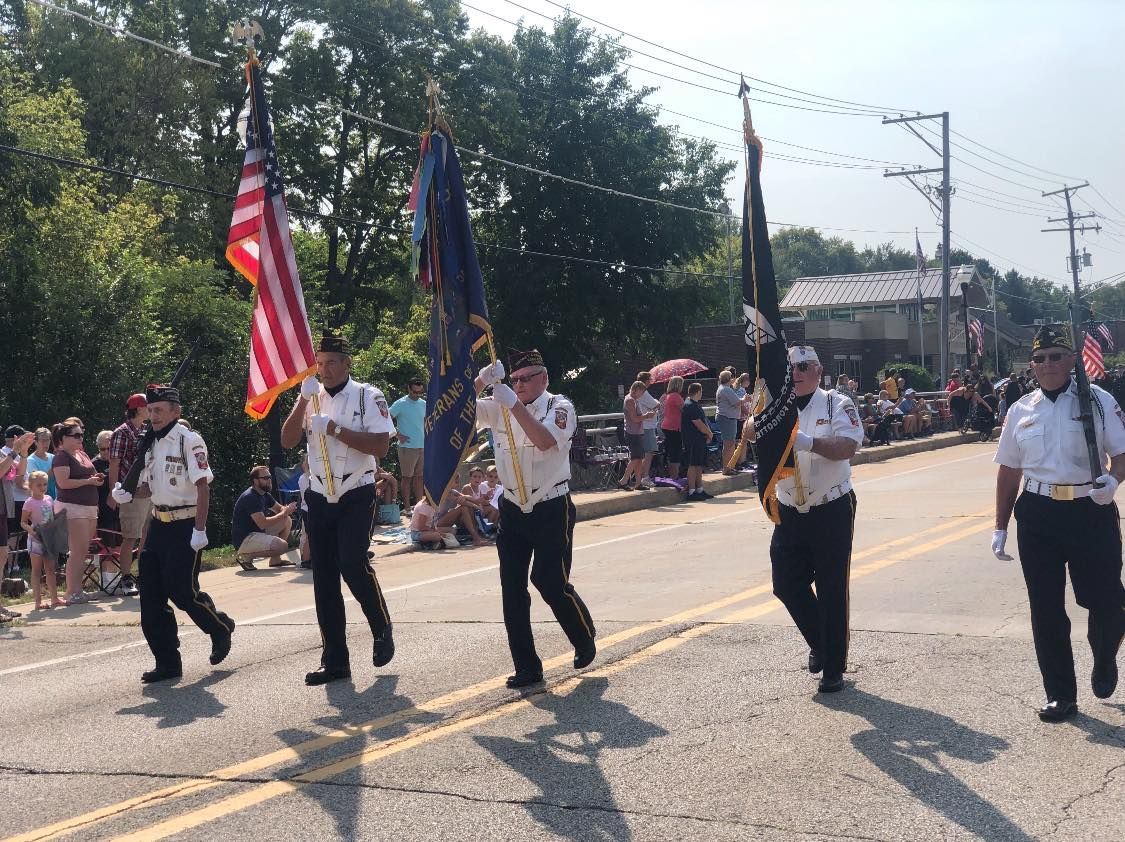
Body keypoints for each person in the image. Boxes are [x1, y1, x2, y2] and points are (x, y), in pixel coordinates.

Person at [992, 324, 1125, 722]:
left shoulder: (1098, 401)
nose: (1047, 364)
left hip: (1090, 508)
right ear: (1031, 365)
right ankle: (1061, 695)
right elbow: (1008, 471)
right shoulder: (1021, 409)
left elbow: (1121, 453)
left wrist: (1113, 481)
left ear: (1071, 360)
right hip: (1038, 512)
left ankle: (1104, 655)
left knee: (1105, 599)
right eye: (1039, 358)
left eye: (1055, 356)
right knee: (1046, 608)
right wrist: (1000, 526)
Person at [474, 349, 596, 689]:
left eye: (526, 378)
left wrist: (513, 404)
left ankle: (583, 636)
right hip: (513, 508)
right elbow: (456, 417)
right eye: (514, 379)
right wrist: (480, 381)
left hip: (550, 505)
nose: (519, 384)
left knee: (548, 581)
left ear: (543, 378)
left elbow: (544, 441)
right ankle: (527, 667)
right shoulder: (499, 405)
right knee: (512, 588)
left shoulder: (560, 407)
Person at [280, 332, 397, 686]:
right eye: (320, 362)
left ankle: (381, 627)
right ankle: (335, 661)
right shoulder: (311, 396)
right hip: (318, 493)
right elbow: (287, 440)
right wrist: (302, 401)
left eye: (332, 362)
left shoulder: (367, 396)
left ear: (347, 363)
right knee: (324, 578)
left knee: (352, 563)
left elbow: (380, 447)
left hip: (355, 490)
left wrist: (334, 429)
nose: (325, 369)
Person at [110, 385, 235, 683]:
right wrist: (127, 493)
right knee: (150, 596)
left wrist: (200, 530)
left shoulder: (189, 441)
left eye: (159, 410)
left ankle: (218, 627)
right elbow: (149, 487)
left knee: (181, 591)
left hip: (185, 524)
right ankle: (167, 662)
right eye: (150, 410)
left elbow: (202, 486)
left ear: (176, 412)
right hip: (157, 524)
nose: (152, 416)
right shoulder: (149, 443)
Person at [771, 345, 864, 694]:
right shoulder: (774, 407)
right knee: (785, 584)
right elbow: (749, 433)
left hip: (831, 505)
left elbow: (847, 447)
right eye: (791, 367)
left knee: (831, 586)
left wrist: (806, 441)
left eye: (804, 366)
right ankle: (821, 644)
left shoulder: (835, 403)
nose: (796, 372)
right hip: (788, 507)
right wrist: (753, 425)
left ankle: (833, 667)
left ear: (818, 370)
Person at [51, 419, 102, 605]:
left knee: (82, 551)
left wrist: (95, 479)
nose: (81, 438)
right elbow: (63, 483)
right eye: (76, 435)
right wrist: (88, 482)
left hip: (88, 507)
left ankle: (77, 589)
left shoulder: (82, 454)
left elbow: (87, 475)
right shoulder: (61, 456)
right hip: (72, 507)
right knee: (77, 551)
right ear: (64, 438)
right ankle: (72, 592)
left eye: (82, 434)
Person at [107, 394, 149, 598]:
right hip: (130, 492)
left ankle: (144, 575)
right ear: (139, 409)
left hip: (147, 491)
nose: (150, 409)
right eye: (147, 406)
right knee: (130, 537)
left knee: (147, 536)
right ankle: (126, 577)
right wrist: (114, 492)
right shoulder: (121, 432)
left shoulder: (144, 430)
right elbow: (114, 462)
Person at [231, 466, 297, 570]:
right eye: (265, 478)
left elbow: (280, 509)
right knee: (282, 546)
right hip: (246, 539)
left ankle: (276, 560)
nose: (269, 480)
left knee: (286, 520)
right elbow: (263, 523)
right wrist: (284, 512)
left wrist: (288, 509)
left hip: (257, 533)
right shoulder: (250, 497)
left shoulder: (265, 494)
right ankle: (245, 556)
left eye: (270, 477)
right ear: (255, 481)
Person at [21, 471, 63, 610]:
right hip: (36, 540)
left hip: (49, 539)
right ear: (31, 486)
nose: (42, 487)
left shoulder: (49, 499)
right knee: (36, 571)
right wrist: (31, 530)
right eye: (39, 485)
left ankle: (54, 598)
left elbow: (52, 517)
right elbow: (23, 522)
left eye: (45, 484)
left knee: (51, 569)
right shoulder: (29, 503)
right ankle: (38, 601)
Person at [389, 377, 426, 514]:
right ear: (409, 389)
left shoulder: (423, 403)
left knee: (419, 477)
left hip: (422, 446)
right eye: (415, 392)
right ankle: (407, 508)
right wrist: (397, 434)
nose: (417, 395)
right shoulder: (400, 403)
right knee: (407, 477)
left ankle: (419, 506)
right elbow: (385, 418)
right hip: (406, 447)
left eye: (419, 393)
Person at [618, 381, 655, 491]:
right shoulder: (630, 400)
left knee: (639, 458)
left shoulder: (633, 399)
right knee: (635, 458)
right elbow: (634, 418)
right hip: (632, 433)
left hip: (637, 432)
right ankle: (623, 481)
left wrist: (645, 415)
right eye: (642, 391)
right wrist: (647, 416)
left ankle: (638, 483)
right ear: (636, 389)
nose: (642, 394)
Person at [680, 382, 713, 500]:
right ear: (698, 392)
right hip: (692, 439)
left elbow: (703, 420)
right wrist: (709, 433)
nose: (701, 394)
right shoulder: (689, 405)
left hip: (699, 439)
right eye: (701, 391)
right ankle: (691, 491)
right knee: (692, 465)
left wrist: (709, 433)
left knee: (698, 464)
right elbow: (698, 423)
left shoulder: (696, 404)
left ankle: (700, 489)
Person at [635, 371, 661, 488]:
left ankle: (639, 477)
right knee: (649, 453)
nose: (651, 382)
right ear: (645, 381)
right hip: (648, 426)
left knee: (643, 454)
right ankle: (645, 477)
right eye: (649, 380)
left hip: (642, 426)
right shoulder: (644, 393)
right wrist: (657, 401)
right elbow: (656, 405)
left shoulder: (637, 392)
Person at [715, 370, 743, 475]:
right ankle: (727, 468)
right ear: (729, 378)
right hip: (727, 418)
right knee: (729, 444)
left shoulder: (723, 389)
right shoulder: (726, 389)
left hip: (727, 417)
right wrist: (745, 398)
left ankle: (729, 467)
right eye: (731, 377)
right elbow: (737, 403)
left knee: (730, 443)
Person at [659, 376, 685, 480]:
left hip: (666, 426)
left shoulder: (668, 396)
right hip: (673, 427)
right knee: (676, 452)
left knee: (671, 451)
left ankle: (673, 474)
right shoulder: (676, 396)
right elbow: (684, 410)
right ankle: (675, 476)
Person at [27, 428, 56, 499]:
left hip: (56, 499)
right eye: (43, 440)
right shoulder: (31, 460)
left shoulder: (53, 457)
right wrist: (53, 469)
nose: (46, 443)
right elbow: (36, 482)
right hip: (40, 501)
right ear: (36, 442)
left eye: (48, 440)